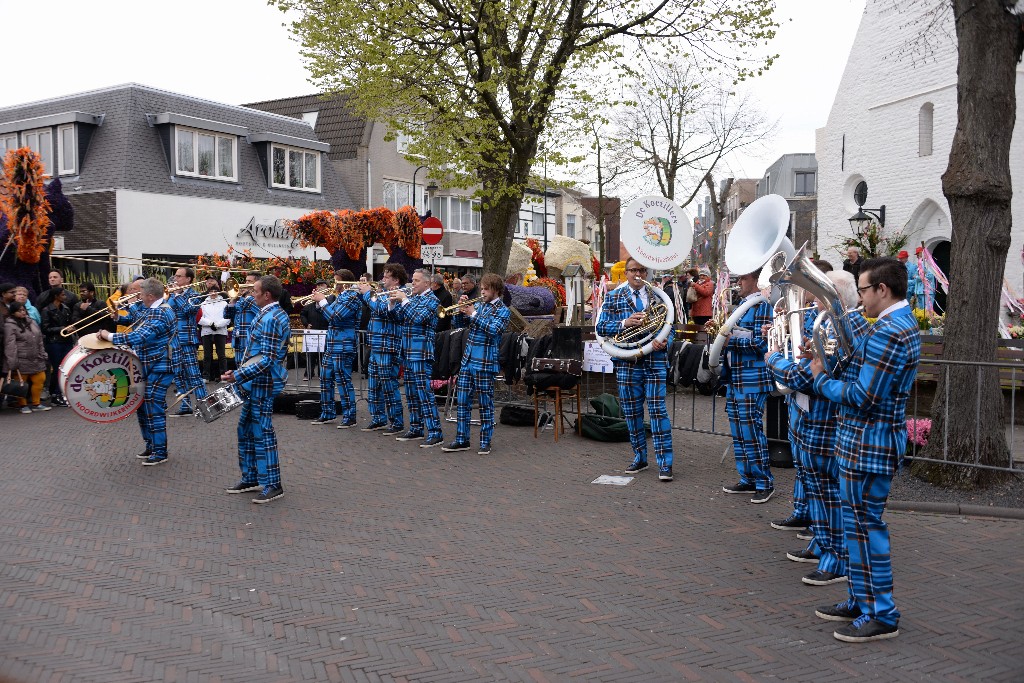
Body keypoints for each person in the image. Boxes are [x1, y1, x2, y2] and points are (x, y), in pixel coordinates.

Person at [811, 257, 920, 643]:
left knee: (866, 527)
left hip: (869, 444)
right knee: (856, 528)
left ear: (882, 290)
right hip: (862, 443)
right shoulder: (890, 325)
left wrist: (821, 380)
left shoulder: (891, 330)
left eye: (863, 290)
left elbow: (863, 395)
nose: (860, 298)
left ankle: (882, 613)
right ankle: (862, 599)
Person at [766, 270, 871, 588]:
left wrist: (775, 360)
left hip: (827, 421)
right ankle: (824, 548)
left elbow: (807, 379)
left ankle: (835, 559)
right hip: (812, 418)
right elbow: (813, 367)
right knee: (818, 491)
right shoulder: (833, 325)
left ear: (835, 297)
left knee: (828, 495)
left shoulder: (849, 327)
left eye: (817, 296)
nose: (811, 303)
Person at [594, 257, 675, 481]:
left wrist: (665, 339)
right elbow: (600, 327)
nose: (637, 274)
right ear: (626, 273)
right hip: (627, 363)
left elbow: (671, 326)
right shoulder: (613, 297)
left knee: (658, 412)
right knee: (632, 413)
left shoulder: (659, 296)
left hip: (655, 360)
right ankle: (640, 457)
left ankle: (665, 463)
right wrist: (624, 323)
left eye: (641, 270)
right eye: (633, 270)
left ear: (647, 272)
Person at [221, 275, 292, 504]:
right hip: (256, 381)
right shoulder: (270, 312)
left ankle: (273, 483)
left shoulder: (272, 318)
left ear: (267, 295)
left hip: (263, 381)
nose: (252, 294)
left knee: (262, 430)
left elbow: (268, 359)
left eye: (255, 292)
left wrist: (238, 374)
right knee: (247, 428)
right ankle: (251, 477)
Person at [97, 278, 176, 465]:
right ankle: (151, 445)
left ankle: (160, 451)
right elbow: (134, 319)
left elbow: (138, 336)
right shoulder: (151, 308)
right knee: (141, 405)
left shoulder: (161, 312)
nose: (137, 297)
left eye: (140, 294)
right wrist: (117, 317)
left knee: (152, 405)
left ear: (149, 296)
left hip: (160, 365)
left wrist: (109, 336)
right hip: (148, 364)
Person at [721, 269, 775, 503]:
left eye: (743, 278)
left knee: (751, 432)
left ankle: (764, 482)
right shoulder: (741, 305)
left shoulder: (762, 304)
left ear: (755, 280)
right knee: (738, 432)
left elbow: (764, 342)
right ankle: (747, 478)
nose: (738, 282)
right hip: (736, 377)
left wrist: (731, 339)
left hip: (752, 377)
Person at [442, 273, 511, 454]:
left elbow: (493, 330)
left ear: (496, 290)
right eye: (481, 288)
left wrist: (473, 314)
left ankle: (485, 441)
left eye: (486, 289)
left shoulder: (503, 310)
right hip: (468, 360)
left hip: (485, 362)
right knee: (462, 402)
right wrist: (462, 308)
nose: (482, 292)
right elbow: (459, 323)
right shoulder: (479, 306)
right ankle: (461, 439)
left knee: (485, 403)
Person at [392, 268, 445, 448]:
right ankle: (416, 428)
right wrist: (393, 303)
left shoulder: (432, 300)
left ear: (427, 283)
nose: (411, 284)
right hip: (408, 352)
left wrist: (405, 300)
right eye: (412, 280)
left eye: (415, 281)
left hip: (421, 352)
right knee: (412, 393)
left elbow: (418, 318)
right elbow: (399, 317)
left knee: (424, 393)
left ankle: (435, 432)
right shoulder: (413, 299)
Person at [358, 264, 407, 434]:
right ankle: (378, 418)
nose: (383, 279)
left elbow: (381, 310)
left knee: (389, 386)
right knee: (374, 386)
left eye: (387, 277)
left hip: (388, 346)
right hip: (376, 345)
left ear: (396, 280)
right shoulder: (381, 293)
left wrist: (367, 294)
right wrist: (367, 293)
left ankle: (397, 422)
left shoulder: (402, 295)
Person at [311, 270, 363, 427]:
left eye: (336, 281)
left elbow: (335, 317)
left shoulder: (352, 297)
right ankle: (327, 412)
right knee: (325, 378)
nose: (334, 285)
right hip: (332, 344)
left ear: (345, 283)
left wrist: (323, 301)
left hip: (344, 344)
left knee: (343, 381)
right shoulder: (341, 296)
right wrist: (318, 300)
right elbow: (326, 312)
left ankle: (350, 416)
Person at [167, 267, 208, 416]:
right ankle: (185, 407)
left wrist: (176, 295)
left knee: (193, 374)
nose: (175, 279)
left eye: (179, 276)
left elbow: (187, 310)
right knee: (179, 375)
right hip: (174, 340)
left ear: (188, 279)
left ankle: (204, 406)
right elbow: (167, 311)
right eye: (175, 276)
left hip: (187, 339)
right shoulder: (172, 295)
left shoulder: (195, 295)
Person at [4, 301, 51, 413]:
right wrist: (12, 362)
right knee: (21, 383)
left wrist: (43, 353)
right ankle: (22, 405)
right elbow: (10, 345)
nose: (23, 312)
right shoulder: (9, 325)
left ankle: (36, 403)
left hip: (36, 357)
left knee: (40, 379)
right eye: (19, 310)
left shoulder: (31, 322)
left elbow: (39, 339)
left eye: (24, 309)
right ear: (13, 312)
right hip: (21, 358)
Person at [40, 288, 75, 407]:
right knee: (57, 368)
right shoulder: (46, 310)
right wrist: (63, 329)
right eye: (62, 294)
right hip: (54, 343)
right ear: (56, 296)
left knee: (66, 368)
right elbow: (45, 329)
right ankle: (55, 394)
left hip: (66, 341)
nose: (65, 296)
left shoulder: (66, 308)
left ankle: (62, 393)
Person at [224, 271, 261, 361]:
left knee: (248, 369)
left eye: (249, 281)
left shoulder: (258, 299)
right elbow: (226, 315)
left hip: (250, 340)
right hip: (238, 339)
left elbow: (260, 312)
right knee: (239, 367)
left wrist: (248, 297)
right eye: (246, 281)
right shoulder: (241, 298)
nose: (246, 283)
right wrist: (233, 301)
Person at [199, 280, 230, 383]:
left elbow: (228, 318)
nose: (213, 293)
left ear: (218, 292)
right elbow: (199, 318)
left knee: (221, 355)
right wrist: (210, 323)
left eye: (215, 291)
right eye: (211, 291)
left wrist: (217, 325)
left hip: (220, 331)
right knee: (207, 355)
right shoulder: (203, 303)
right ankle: (206, 376)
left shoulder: (224, 303)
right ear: (208, 292)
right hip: (207, 331)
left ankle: (223, 376)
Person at [299, 280, 330, 380]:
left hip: (324, 330)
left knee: (323, 354)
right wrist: (306, 324)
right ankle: (308, 373)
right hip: (312, 330)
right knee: (311, 354)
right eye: (318, 285)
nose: (320, 287)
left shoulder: (330, 299)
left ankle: (322, 374)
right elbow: (303, 314)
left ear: (327, 287)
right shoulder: (310, 301)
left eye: (322, 285)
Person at [912, 247, 937, 311]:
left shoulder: (928, 264)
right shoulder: (920, 265)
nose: (917, 256)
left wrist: (917, 277)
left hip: (927, 291)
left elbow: (930, 276)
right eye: (917, 255)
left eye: (918, 254)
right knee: (921, 310)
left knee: (927, 311)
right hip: (920, 291)